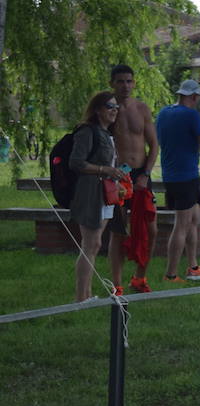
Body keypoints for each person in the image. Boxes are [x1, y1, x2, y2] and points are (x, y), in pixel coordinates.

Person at [67, 91, 128, 302]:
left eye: (116, 107)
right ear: (97, 110)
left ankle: (86, 294)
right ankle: (81, 297)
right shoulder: (87, 131)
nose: (114, 110)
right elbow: (76, 162)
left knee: (95, 244)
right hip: (90, 193)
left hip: (106, 193)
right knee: (90, 244)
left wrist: (116, 174)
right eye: (109, 106)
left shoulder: (107, 133)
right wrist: (104, 169)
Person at [156, 79, 200, 283]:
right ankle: (171, 274)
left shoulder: (163, 113)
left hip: (173, 174)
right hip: (185, 176)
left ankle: (193, 266)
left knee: (193, 219)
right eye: (198, 97)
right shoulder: (191, 115)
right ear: (194, 96)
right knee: (181, 224)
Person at [108, 64, 159, 294]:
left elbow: (154, 144)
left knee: (151, 228)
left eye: (129, 81)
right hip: (117, 176)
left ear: (134, 83)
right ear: (112, 83)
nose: (125, 86)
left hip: (140, 175)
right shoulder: (107, 109)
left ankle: (139, 277)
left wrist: (146, 174)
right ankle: (116, 284)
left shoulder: (142, 108)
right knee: (118, 231)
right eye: (120, 81)